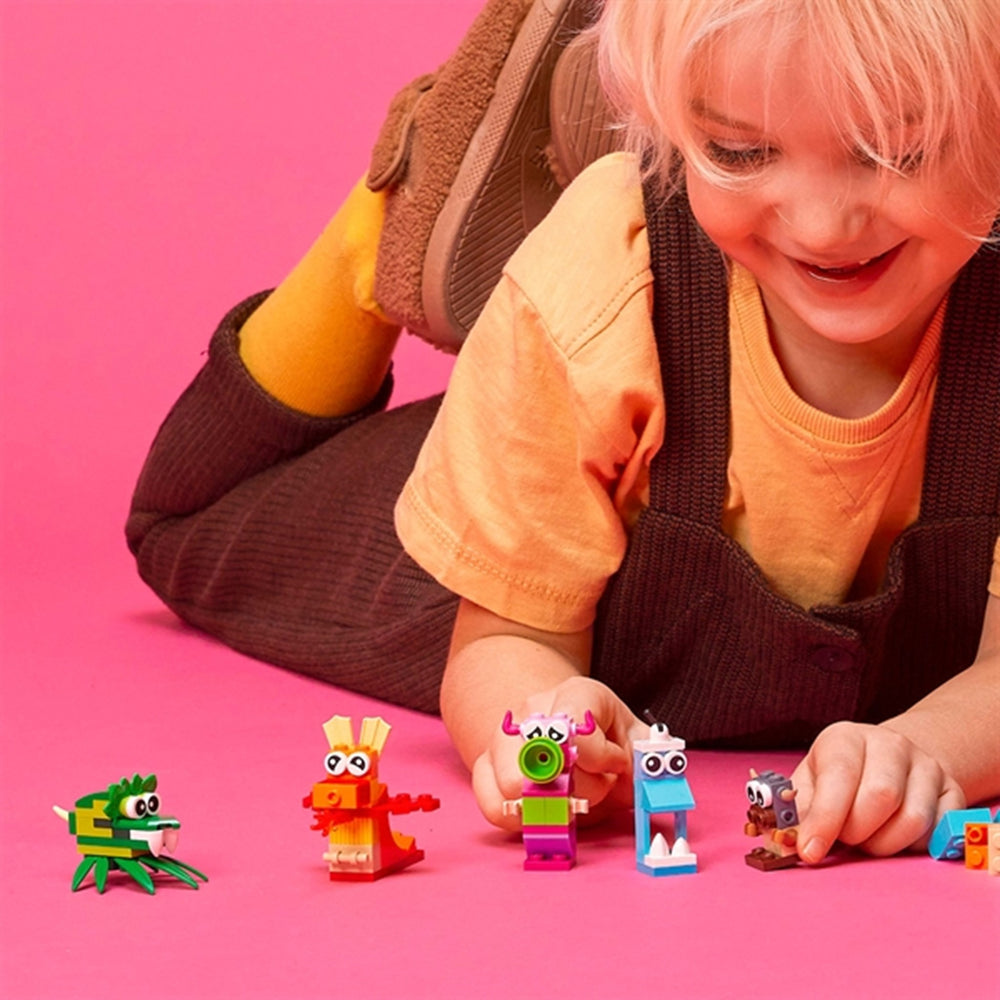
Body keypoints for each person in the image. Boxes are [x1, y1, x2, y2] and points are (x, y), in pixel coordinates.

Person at [128, 0, 1000, 866]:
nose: (822, 225)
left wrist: (925, 749)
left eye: (898, 153)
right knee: (188, 523)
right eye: (739, 152)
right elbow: (504, 643)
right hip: (522, 532)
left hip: (597, 438)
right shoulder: (604, 279)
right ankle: (385, 225)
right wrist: (542, 725)